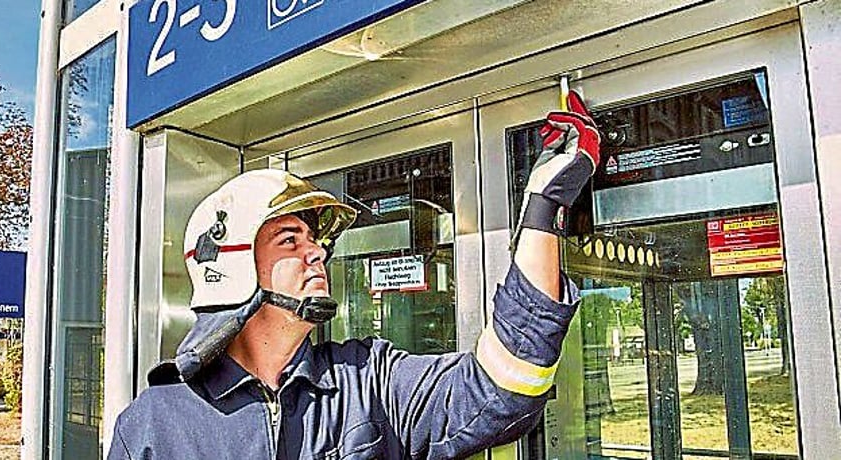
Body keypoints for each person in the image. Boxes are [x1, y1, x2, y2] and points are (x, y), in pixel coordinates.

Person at [109, 91, 601, 460]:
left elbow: (500, 385)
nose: (317, 254)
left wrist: (544, 206)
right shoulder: (154, 425)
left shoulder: (367, 381)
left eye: (315, 240)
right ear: (229, 265)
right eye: (290, 241)